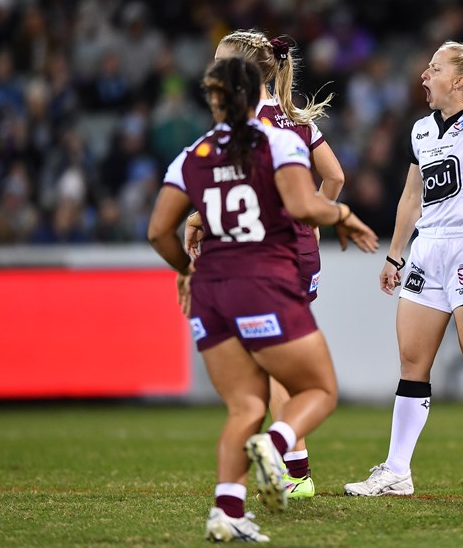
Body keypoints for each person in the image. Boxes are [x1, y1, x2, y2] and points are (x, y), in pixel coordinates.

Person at [147, 56, 378, 542]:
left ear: (213, 99)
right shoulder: (277, 141)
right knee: (319, 390)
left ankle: (227, 511)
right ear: (257, 95)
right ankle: (278, 446)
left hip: (211, 290)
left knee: (244, 406)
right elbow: (301, 204)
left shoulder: (192, 153)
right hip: (262, 282)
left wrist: (187, 269)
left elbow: (157, 231)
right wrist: (344, 214)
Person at [343, 0, 463, 498]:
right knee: (412, 360)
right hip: (428, 250)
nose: (425, 74)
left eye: (436, 68)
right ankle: (397, 470)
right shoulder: (422, 130)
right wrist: (396, 256)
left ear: (461, 80)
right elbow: (411, 197)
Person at [184, 29, 346, 500]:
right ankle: (291, 467)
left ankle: (292, 470)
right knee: (279, 358)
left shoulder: (242, 127)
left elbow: (242, 191)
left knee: (268, 362)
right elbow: (335, 176)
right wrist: (312, 215)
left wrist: (197, 216)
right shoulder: (297, 121)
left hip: (264, 250)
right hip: (299, 248)